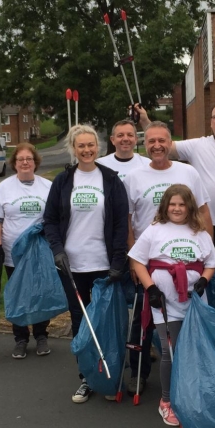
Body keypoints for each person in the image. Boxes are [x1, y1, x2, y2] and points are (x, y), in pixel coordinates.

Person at [122, 120, 212, 397]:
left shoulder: (188, 172)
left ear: (170, 143)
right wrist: (133, 261)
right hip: (150, 261)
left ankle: (184, 381)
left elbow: (205, 213)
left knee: (183, 331)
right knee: (144, 321)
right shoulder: (134, 177)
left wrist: (206, 255)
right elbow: (127, 221)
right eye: (151, 141)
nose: (157, 146)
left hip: (187, 259)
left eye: (162, 140)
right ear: (144, 144)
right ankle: (140, 374)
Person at [43, 124, 129, 404]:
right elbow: (51, 221)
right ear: (73, 148)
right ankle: (86, 378)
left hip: (104, 265)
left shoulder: (111, 180)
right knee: (81, 322)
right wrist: (57, 250)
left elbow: (119, 225)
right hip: (72, 266)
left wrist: (118, 261)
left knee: (106, 321)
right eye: (81, 146)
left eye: (91, 145)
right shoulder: (63, 181)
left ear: (99, 147)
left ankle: (108, 374)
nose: (87, 150)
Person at [128, 184, 215, 427]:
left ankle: (190, 394)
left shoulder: (199, 232)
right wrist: (151, 288)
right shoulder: (155, 230)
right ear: (165, 206)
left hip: (194, 302)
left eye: (182, 204)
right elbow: (137, 261)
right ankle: (166, 401)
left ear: (190, 206)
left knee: (193, 349)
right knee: (169, 351)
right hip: (164, 303)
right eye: (173, 204)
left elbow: (211, 263)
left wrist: (203, 280)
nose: (177, 208)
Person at [137, 100, 215, 266]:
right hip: (202, 227)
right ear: (211, 122)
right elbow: (161, 143)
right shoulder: (197, 145)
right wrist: (145, 121)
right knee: (209, 274)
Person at [0, 142, 53, 359]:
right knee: (18, 295)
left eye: (29, 159)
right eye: (20, 159)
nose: (25, 162)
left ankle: (41, 335)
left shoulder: (47, 186)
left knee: (40, 293)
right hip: (13, 252)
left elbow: (54, 219)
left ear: (35, 162)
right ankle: (21, 338)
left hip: (39, 251)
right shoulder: (5, 187)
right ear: (14, 164)